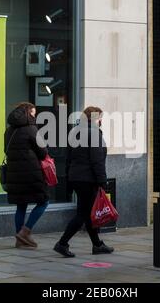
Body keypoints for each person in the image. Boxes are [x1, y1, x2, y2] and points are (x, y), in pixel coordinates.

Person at [54, 107, 114, 258]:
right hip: (88, 179)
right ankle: (62, 243)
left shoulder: (76, 132)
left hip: (76, 178)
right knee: (82, 214)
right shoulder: (94, 133)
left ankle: (97, 245)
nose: (101, 121)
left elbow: (69, 159)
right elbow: (97, 161)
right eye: (100, 118)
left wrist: (69, 178)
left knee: (88, 214)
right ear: (95, 119)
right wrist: (102, 181)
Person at [4, 102, 49, 249]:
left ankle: (19, 239)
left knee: (21, 205)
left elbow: (6, 150)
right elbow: (43, 152)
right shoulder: (31, 129)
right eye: (33, 114)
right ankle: (25, 231)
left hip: (14, 173)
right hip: (31, 173)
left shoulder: (9, 130)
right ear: (28, 113)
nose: (34, 117)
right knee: (43, 202)